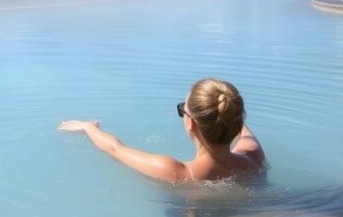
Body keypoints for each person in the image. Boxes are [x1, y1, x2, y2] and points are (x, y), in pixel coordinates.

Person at [58, 78, 265, 183]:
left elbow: (115, 149)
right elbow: (244, 131)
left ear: (191, 124)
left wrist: (88, 127)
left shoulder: (177, 173)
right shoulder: (253, 156)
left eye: (183, 110)